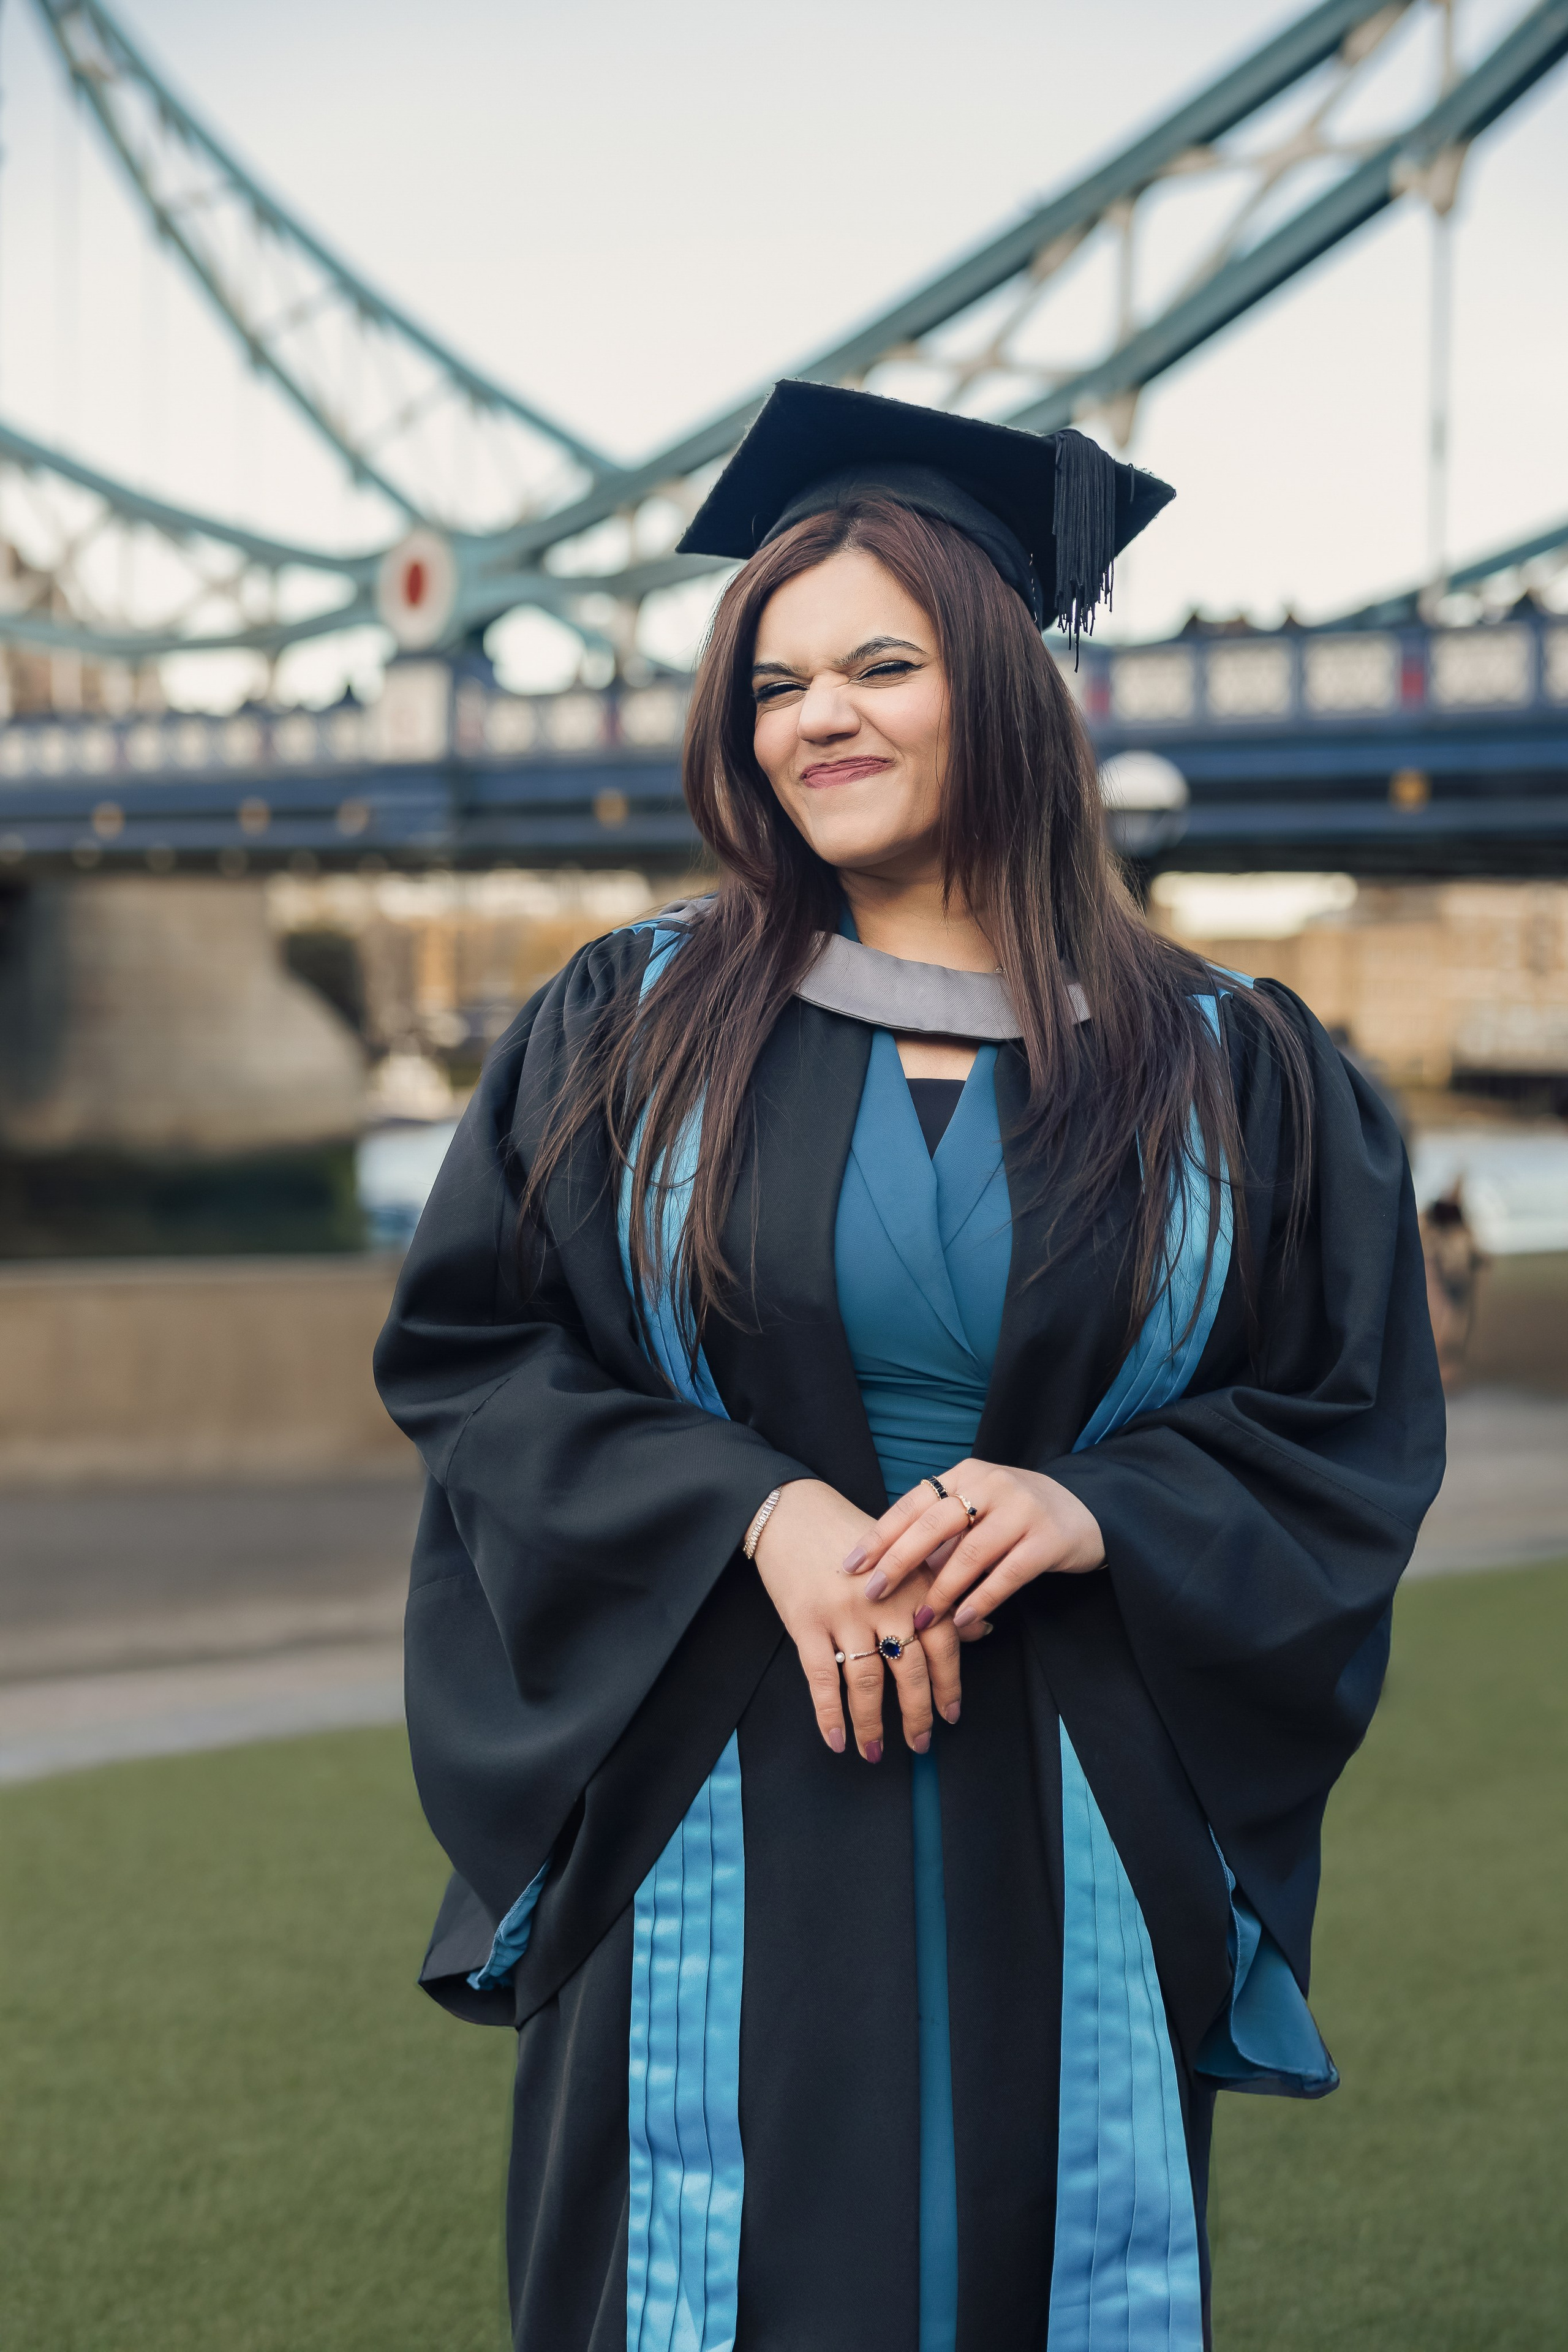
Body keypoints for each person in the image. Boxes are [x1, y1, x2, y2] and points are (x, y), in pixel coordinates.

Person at [374, 380, 1446, 2352]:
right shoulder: (628, 1029)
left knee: (1039, 2271)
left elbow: (1342, 1423)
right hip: (714, 1760)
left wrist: (1093, 1503)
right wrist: (752, 1509)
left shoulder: (1236, 1068)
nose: (819, 718)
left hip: (1067, 1781)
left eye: (883, 661)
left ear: (1009, 689)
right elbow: (474, 1358)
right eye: (775, 682)